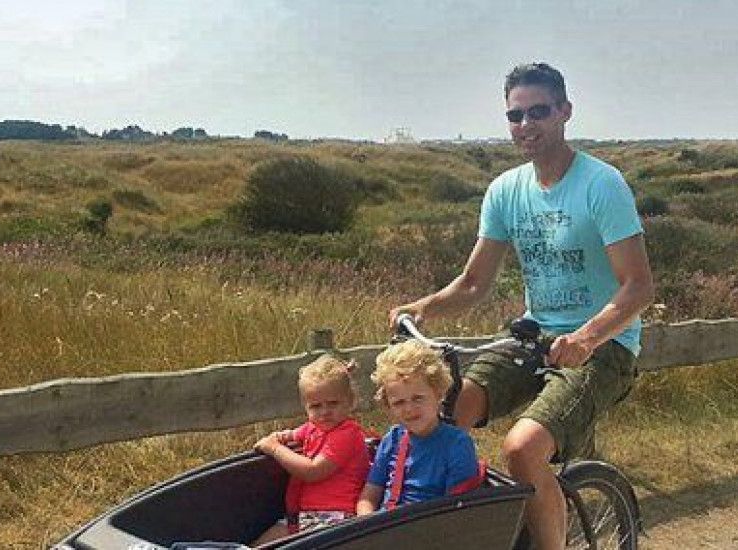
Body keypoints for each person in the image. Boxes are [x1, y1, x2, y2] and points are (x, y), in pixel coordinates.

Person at [387, 62, 654, 549]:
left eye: (538, 112)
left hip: (604, 347)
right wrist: (422, 308)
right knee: (440, 417)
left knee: (521, 449)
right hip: (532, 339)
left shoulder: (602, 184)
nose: (526, 126)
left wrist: (587, 336)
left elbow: (637, 287)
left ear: (565, 112)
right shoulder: (506, 191)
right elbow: (472, 283)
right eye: (515, 116)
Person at [250, 354, 372, 544]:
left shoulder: (347, 434)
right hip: (303, 516)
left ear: (350, 401)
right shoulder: (312, 428)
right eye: (316, 406)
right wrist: (278, 437)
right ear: (306, 408)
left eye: (333, 403)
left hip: (335, 518)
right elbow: (291, 435)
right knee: (261, 543)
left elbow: (313, 471)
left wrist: (274, 449)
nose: (324, 412)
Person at [355, 340, 484, 515]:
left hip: (429, 528)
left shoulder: (457, 444)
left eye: (418, 398)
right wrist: (366, 522)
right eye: (399, 402)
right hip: (383, 526)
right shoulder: (393, 439)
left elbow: (458, 509)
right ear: (389, 406)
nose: (408, 409)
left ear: (438, 394)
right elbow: (369, 495)